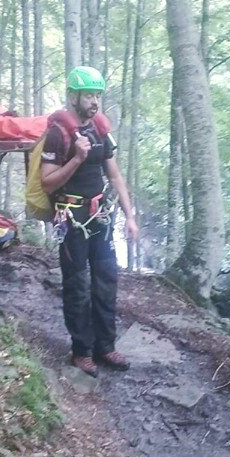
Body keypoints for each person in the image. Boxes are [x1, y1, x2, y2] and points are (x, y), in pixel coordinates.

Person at [40, 66, 139, 377]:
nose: (94, 101)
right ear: (73, 97)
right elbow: (47, 183)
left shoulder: (99, 128)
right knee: (77, 284)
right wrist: (77, 159)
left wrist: (130, 216)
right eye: (89, 95)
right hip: (71, 218)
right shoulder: (58, 133)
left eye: (98, 95)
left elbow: (115, 174)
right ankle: (81, 350)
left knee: (106, 279)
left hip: (100, 216)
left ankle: (105, 346)